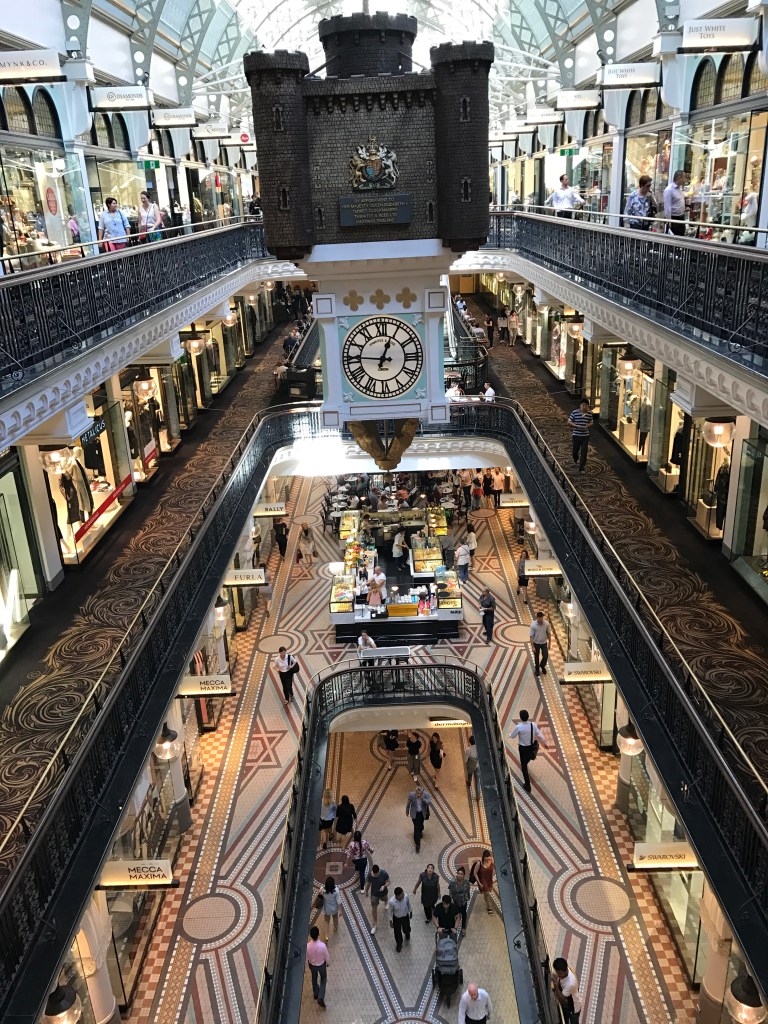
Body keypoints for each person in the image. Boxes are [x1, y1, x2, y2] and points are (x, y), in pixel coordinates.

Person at [509, 709, 549, 792]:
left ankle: (528, 785)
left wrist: (510, 734)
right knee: (527, 759)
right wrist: (545, 742)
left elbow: (512, 736)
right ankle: (529, 759)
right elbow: (539, 734)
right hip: (531, 747)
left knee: (524, 767)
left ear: (520, 718)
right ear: (528, 717)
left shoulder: (518, 727)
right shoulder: (533, 725)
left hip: (523, 749)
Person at [553, 957, 582, 1024]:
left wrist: (555, 984)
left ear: (565, 971)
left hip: (573, 1007)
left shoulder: (570, 983)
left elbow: (562, 998)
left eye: (559, 973)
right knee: (564, 1016)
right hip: (567, 1001)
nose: (558, 975)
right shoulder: (565, 970)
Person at [567, 399, 594, 473]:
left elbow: (592, 422)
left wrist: (587, 426)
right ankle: (575, 458)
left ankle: (582, 468)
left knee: (584, 452)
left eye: (586, 405)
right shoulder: (575, 412)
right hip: (576, 435)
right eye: (583, 405)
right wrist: (575, 425)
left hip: (585, 436)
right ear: (580, 405)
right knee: (575, 451)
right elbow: (569, 422)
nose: (584, 407)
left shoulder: (589, 414)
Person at [306, 926, 329, 1008]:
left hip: (312, 965)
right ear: (318, 934)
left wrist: (307, 965)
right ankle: (321, 996)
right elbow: (326, 956)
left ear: (310, 935)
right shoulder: (322, 946)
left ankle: (316, 993)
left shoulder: (307, 946)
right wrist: (327, 963)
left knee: (314, 978)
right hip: (321, 965)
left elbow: (307, 957)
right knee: (323, 978)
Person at [364, 863, 390, 934]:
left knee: (384, 898)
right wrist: (366, 891)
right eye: (374, 874)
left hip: (383, 893)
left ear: (379, 871)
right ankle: (375, 924)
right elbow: (368, 883)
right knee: (374, 908)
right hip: (374, 894)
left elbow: (388, 882)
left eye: (376, 874)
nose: (375, 876)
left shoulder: (384, 873)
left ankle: (386, 902)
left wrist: (384, 886)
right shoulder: (370, 875)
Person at [405, 785, 431, 853]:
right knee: (416, 828)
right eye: (417, 793)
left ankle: (421, 830)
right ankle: (417, 844)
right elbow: (408, 803)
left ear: (422, 792)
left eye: (420, 793)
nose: (418, 795)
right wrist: (407, 811)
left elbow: (429, 802)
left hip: (422, 813)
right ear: (415, 792)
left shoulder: (425, 794)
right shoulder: (412, 795)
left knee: (420, 825)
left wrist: (423, 799)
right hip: (415, 814)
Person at [387, 887, 413, 952]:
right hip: (397, 918)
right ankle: (399, 944)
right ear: (397, 896)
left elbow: (408, 904)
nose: (403, 895)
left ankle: (407, 933)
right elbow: (390, 911)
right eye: (401, 894)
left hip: (405, 916)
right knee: (397, 932)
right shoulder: (391, 902)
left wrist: (410, 911)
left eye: (403, 893)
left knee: (406, 928)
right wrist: (390, 921)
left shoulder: (406, 897)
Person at [449, 866, 472, 936]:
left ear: (464, 875)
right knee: (455, 913)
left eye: (461, 874)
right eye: (458, 873)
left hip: (463, 900)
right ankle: (454, 926)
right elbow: (450, 891)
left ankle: (463, 928)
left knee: (463, 913)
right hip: (455, 900)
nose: (460, 875)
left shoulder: (466, 881)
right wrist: (450, 899)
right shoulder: (453, 881)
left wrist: (466, 898)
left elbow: (468, 889)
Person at [471, 849, 495, 914]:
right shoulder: (479, 863)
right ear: (483, 857)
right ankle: (489, 906)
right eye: (486, 858)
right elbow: (475, 873)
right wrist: (479, 883)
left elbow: (494, 868)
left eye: (489, 858)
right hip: (482, 881)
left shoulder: (491, 860)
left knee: (486, 893)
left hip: (489, 880)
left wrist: (492, 875)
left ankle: (487, 903)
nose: (488, 860)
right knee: (487, 893)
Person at [664, 169, 687, 236]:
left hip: (681, 218)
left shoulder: (679, 189)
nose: (685, 179)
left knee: (681, 236)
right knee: (675, 237)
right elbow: (667, 208)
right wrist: (669, 222)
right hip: (674, 219)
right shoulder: (669, 190)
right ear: (679, 177)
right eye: (684, 177)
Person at [529, 611, 552, 677]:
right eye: (540, 619)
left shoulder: (546, 624)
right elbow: (531, 636)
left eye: (542, 619)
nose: (541, 620)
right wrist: (532, 647)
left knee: (545, 656)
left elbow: (549, 634)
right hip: (536, 643)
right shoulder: (533, 625)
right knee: (536, 657)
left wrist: (549, 644)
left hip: (544, 643)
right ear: (537, 618)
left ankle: (542, 665)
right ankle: (537, 669)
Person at [318, 875, 340, 941]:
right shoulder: (336, 890)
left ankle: (326, 936)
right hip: (334, 909)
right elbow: (338, 901)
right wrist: (340, 909)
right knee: (335, 918)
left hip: (326, 909)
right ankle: (335, 928)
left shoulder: (322, 889)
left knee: (327, 921)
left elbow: (319, 894)